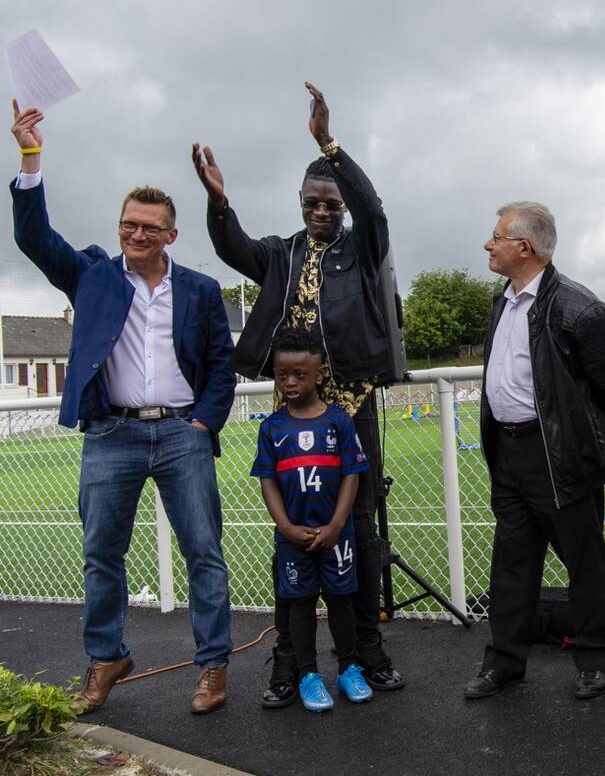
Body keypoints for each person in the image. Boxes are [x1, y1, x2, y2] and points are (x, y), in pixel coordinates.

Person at [10, 101, 235, 714]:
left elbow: (221, 366)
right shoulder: (92, 276)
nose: (136, 235)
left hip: (182, 434)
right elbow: (33, 236)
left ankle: (213, 666)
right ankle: (106, 657)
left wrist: (202, 423)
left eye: (149, 227)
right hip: (111, 435)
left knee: (203, 553)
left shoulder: (201, 289)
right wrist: (31, 157)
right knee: (101, 553)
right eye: (128, 225)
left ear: (171, 234)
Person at [194, 83, 405, 705]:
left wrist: (329, 147)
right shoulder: (279, 255)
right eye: (313, 202)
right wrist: (219, 202)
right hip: (294, 416)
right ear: (300, 203)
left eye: (331, 203)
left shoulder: (361, 249)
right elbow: (230, 247)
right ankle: (289, 665)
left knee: (358, 535)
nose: (322, 211)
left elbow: (377, 214)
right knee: (290, 536)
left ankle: (366, 654)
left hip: (352, 409)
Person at [465, 201, 605, 701]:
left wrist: (582, 439)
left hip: (559, 455)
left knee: (583, 561)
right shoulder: (504, 301)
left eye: (496, 237)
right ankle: (505, 662)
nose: (488, 245)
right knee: (512, 564)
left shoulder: (578, 308)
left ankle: (597, 660)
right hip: (511, 453)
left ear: (525, 247)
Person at [250, 328, 373, 712]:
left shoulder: (339, 422)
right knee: (299, 604)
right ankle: (307, 674)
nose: (289, 382)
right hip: (293, 538)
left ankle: (349, 667)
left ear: (317, 374)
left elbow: (352, 475)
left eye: (299, 375)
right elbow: (267, 481)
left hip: (338, 535)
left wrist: (337, 525)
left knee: (341, 601)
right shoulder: (271, 428)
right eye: (281, 374)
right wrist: (286, 527)